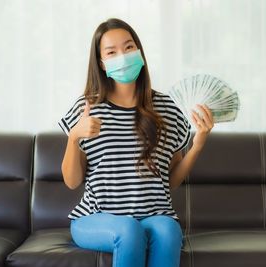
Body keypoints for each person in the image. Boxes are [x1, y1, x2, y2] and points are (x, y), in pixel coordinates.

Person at [57, 18, 214, 267]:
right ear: (101, 62)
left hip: (155, 215)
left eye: (129, 47)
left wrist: (198, 144)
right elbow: (72, 181)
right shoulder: (87, 108)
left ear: (139, 51)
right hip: (96, 218)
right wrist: (74, 137)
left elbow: (171, 181)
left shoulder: (167, 108)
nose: (123, 55)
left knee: (169, 230)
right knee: (129, 230)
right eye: (111, 52)